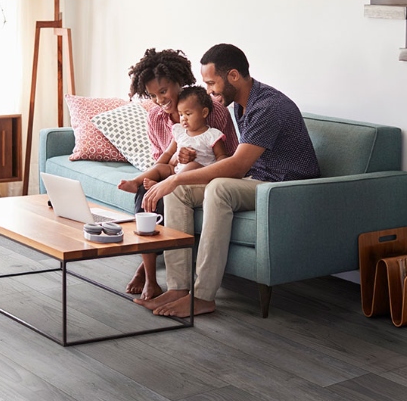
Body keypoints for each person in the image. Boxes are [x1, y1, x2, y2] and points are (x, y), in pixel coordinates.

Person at [136, 43, 320, 317]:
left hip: (285, 187)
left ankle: (203, 297)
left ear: (233, 75)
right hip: (258, 180)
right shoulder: (243, 105)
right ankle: (178, 288)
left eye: (211, 83)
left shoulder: (268, 106)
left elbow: (236, 166)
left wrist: (173, 179)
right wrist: (176, 180)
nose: (209, 91)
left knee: (217, 188)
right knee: (178, 192)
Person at [118, 48, 239, 300]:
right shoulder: (155, 116)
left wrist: (184, 163)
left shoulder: (211, 109)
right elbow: (162, 159)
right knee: (145, 194)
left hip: (205, 174)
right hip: (173, 172)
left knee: (165, 191)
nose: (160, 100)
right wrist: (172, 163)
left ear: (178, 82)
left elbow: (226, 157)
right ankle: (150, 278)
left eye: (163, 91)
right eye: (153, 95)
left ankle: (145, 268)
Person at [119, 85, 228, 193]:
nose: (183, 118)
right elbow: (168, 153)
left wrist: (215, 170)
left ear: (204, 113)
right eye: (181, 114)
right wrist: (157, 166)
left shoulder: (212, 135)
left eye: (188, 114)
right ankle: (135, 182)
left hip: (199, 174)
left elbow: (222, 157)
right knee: (160, 168)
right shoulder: (179, 131)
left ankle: (162, 185)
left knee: (193, 165)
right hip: (176, 170)